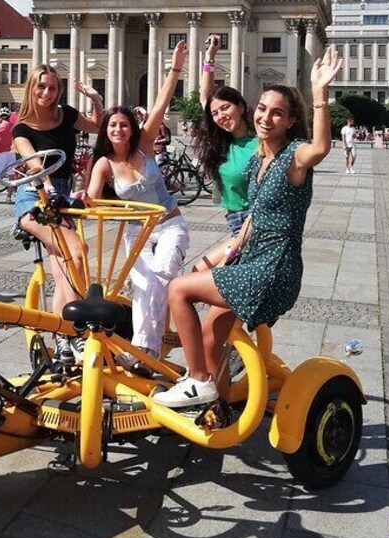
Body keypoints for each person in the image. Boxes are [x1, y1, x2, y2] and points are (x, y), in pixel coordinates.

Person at [155, 47, 342, 409]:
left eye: (277, 113)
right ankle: (216, 404)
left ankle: (197, 382)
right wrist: (230, 253)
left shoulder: (293, 156)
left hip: (273, 270)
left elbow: (320, 148)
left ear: (290, 121)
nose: (267, 118)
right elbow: (251, 219)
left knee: (178, 289)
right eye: (263, 109)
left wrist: (319, 95)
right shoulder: (261, 158)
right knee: (211, 333)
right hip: (252, 260)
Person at [79, 41, 190, 376]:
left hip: (169, 224)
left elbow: (160, 103)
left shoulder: (144, 145)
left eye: (123, 124)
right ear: (106, 130)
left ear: (131, 128)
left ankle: (145, 350)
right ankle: (148, 350)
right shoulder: (103, 164)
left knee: (155, 279)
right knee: (144, 286)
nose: (118, 129)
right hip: (135, 232)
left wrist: (176, 68)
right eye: (112, 125)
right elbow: (93, 198)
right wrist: (84, 200)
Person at [12, 65, 104, 365]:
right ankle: (74, 329)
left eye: (52, 88)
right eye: (41, 87)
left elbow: (98, 126)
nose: (47, 93)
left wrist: (96, 98)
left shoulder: (66, 114)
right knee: (75, 251)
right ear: (31, 88)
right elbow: (34, 164)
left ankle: (62, 336)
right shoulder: (21, 127)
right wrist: (47, 185)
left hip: (61, 198)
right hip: (35, 198)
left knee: (62, 269)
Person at [194, 34, 256, 237]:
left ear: (240, 105)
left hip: (253, 221)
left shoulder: (260, 140)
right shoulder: (222, 141)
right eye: (215, 113)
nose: (220, 116)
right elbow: (205, 97)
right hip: (233, 217)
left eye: (225, 108)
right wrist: (209, 58)